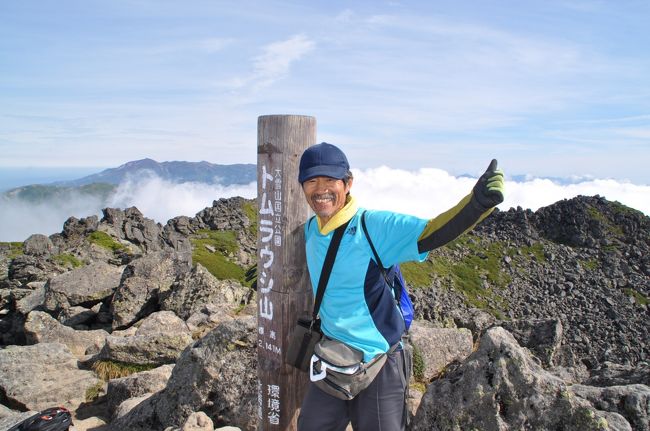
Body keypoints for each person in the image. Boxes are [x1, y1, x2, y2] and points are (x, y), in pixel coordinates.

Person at [297, 142, 504, 431]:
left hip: (381, 361)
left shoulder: (373, 227)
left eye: (330, 180)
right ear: (302, 186)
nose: (321, 189)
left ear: (348, 183)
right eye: (311, 180)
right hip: (333, 356)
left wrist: (477, 204)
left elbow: (432, 232)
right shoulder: (310, 231)